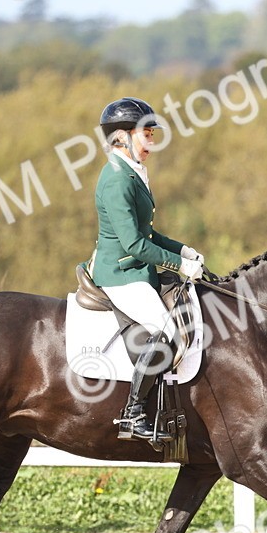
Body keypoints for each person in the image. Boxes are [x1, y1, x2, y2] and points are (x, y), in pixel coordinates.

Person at [86, 97, 205, 440]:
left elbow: (147, 234)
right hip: (121, 274)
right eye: (146, 133)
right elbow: (133, 245)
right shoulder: (117, 180)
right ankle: (132, 414)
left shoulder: (131, 172)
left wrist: (183, 249)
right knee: (165, 332)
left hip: (136, 267)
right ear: (122, 137)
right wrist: (179, 265)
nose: (152, 141)